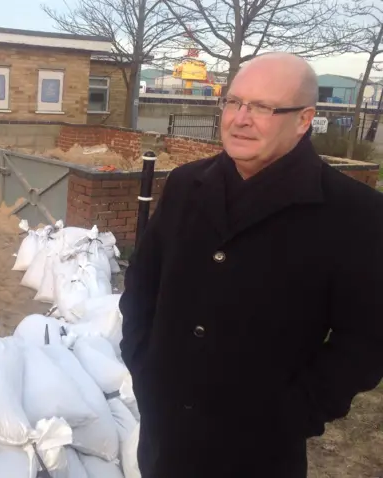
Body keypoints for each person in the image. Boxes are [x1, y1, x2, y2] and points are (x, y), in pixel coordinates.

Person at [119, 52, 383, 478]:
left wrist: (294, 413)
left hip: (259, 453)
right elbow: (143, 280)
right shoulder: (187, 185)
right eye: (234, 102)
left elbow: (367, 341)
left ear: (303, 120)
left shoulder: (354, 214)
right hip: (165, 439)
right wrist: (142, 360)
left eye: (262, 107)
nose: (240, 118)